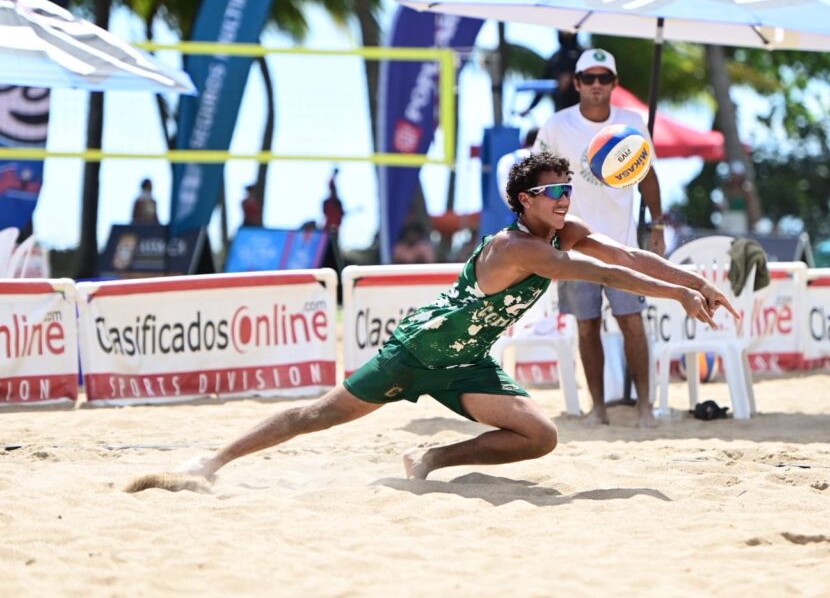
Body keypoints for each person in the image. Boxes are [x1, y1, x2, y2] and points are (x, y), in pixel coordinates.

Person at [154, 153, 735, 487]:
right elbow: (600, 274)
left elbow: (627, 256)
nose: (564, 197)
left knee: (540, 437)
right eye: (553, 190)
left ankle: (430, 460)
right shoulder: (516, 247)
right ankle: (211, 461)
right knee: (319, 415)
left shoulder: (563, 229)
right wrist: (677, 294)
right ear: (524, 199)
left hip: (467, 362)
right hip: (420, 349)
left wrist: (694, 281)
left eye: (567, 188)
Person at [535, 48, 666, 427]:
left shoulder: (631, 122)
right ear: (576, 83)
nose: (596, 84)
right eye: (589, 78)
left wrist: (657, 225)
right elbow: (536, 178)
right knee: (587, 325)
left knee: (632, 323)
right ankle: (599, 410)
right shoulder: (557, 126)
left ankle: (645, 408)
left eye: (603, 78)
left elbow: (648, 175)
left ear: (614, 83)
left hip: (622, 245)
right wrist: (543, 233)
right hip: (574, 247)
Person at [519, 31, 583, 117]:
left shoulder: (582, 55)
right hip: (560, 108)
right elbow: (543, 83)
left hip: (580, 109)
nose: (566, 32)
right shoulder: (555, 57)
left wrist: (572, 77)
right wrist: (530, 107)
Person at [323, 168, 345, 235]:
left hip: (334, 228)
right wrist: (334, 175)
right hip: (329, 228)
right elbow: (331, 185)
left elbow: (342, 213)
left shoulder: (337, 202)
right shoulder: (329, 202)